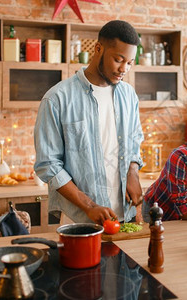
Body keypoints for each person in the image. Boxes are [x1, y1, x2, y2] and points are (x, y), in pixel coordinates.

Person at [34, 20, 144, 225]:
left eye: (129, 62)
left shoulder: (129, 95)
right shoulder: (57, 98)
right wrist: (89, 206)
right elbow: (48, 165)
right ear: (98, 49)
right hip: (80, 220)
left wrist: (133, 172)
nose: (124, 69)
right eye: (118, 60)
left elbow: (135, 140)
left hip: (125, 218)